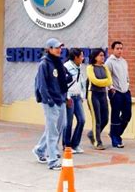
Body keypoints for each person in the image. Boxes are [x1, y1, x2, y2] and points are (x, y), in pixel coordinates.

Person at [32, 38, 69, 171]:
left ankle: (40, 150)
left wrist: (64, 96)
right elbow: (42, 86)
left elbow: (64, 79)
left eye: (60, 47)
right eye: (56, 47)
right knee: (53, 131)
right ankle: (53, 160)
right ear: (49, 49)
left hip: (61, 99)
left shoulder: (58, 63)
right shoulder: (44, 64)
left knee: (59, 127)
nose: (59, 49)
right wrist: (49, 101)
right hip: (51, 102)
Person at [106, 41, 132, 148]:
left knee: (127, 115)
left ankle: (115, 133)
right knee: (115, 115)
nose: (119, 50)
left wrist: (128, 85)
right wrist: (111, 88)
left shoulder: (124, 61)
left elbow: (126, 76)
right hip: (115, 92)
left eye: (121, 48)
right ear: (113, 49)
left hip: (126, 91)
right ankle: (115, 139)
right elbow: (107, 77)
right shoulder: (109, 62)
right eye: (117, 48)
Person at [86, 48, 112, 150]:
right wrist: (105, 82)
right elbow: (95, 81)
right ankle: (97, 142)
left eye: (103, 55)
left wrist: (106, 82)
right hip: (93, 94)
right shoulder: (90, 68)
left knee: (105, 118)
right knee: (97, 119)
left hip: (103, 94)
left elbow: (110, 80)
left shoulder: (105, 68)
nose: (103, 57)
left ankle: (92, 134)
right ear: (95, 56)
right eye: (100, 55)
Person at [63, 48, 86, 154]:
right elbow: (63, 84)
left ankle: (75, 144)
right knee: (68, 122)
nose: (83, 58)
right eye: (81, 56)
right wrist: (67, 97)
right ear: (76, 57)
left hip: (77, 97)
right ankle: (66, 145)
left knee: (82, 120)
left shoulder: (79, 66)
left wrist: (82, 95)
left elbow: (81, 81)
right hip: (69, 98)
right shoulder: (66, 67)